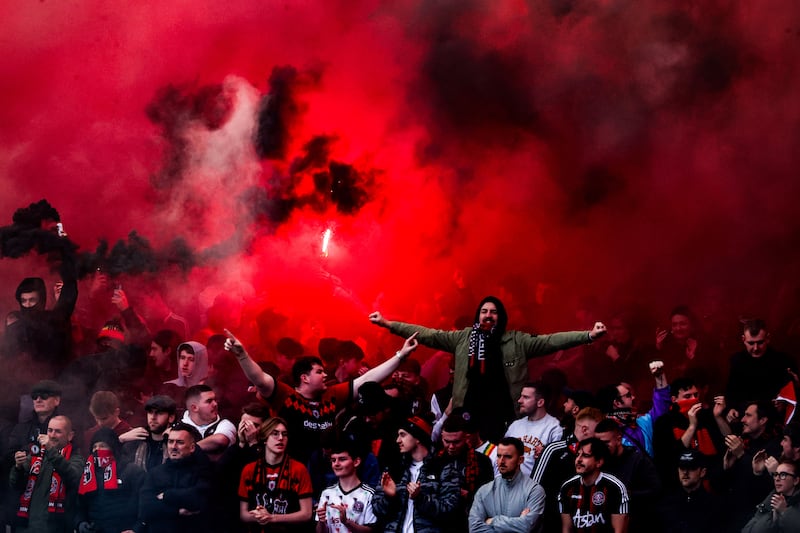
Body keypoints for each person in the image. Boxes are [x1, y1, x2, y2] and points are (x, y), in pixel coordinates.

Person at [369, 296, 606, 440]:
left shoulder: (517, 341)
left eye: (493, 312)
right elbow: (429, 334)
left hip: (502, 414)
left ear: (500, 316)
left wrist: (588, 335)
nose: (488, 315)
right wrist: (388, 324)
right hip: (467, 411)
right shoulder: (464, 338)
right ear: (478, 315)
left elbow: (551, 341)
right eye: (484, 311)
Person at [224, 329, 420, 464]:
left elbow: (368, 378)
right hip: (291, 471)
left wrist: (400, 356)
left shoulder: (332, 395)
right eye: (319, 372)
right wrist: (242, 355)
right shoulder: (286, 396)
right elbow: (259, 378)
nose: (326, 375)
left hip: (327, 470)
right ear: (304, 378)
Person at [372, 416, 460, 532]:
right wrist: (390, 497)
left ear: (418, 438)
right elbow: (377, 511)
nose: (398, 440)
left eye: (403, 435)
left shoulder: (443, 468)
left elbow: (450, 511)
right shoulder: (393, 469)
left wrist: (421, 498)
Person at [533, 407, 604, 533]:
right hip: (552, 524)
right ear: (585, 429)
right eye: (598, 430)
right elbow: (533, 489)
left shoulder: (598, 455)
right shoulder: (554, 450)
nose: (600, 436)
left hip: (586, 523)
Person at [133, 422, 214, 533]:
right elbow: (146, 509)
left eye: (180, 442)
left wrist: (167, 495)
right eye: (170, 442)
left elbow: (198, 500)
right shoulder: (155, 473)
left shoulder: (201, 472)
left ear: (192, 447)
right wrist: (177, 511)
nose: (173, 447)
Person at [9, 415, 84, 533]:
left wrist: (50, 450)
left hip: (56, 527)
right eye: (50, 430)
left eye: (58, 431)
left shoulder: (76, 458)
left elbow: (72, 476)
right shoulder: (36, 455)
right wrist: (18, 467)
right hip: (27, 526)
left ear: (70, 436)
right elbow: (15, 485)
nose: (52, 435)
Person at [238, 416, 314, 531]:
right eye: (275, 434)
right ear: (265, 439)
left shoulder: (298, 469)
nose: (280, 438)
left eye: (284, 434)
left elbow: (306, 514)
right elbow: (243, 515)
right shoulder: (249, 470)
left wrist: (272, 518)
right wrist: (261, 517)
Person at [593, 418, 660, 531]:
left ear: (618, 440)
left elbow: (656, 489)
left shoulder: (639, 461)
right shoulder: (598, 463)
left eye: (606, 443)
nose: (601, 448)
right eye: (598, 443)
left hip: (636, 523)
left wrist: (626, 494)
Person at [468, 436, 546, 533]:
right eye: (499, 456)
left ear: (520, 460)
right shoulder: (484, 491)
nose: (501, 461)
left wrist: (492, 521)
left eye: (508, 457)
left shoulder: (534, 491)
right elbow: (475, 529)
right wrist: (517, 523)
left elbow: (526, 527)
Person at [75, 427, 145, 533]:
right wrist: (80, 523)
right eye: (94, 447)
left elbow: (144, 505)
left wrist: (136, 529)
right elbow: (80, 505)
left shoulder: (132, 471)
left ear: (113, 447)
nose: (97, 450)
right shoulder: (87, 474)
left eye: (103, 446)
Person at [725, 319, 798, 418]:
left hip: (774, 418)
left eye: (760, 342)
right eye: (751, 343)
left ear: (768, 338)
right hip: (744, 418)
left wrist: (785, 401)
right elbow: (731, 391)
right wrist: (731, 408)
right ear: (743, 340)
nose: (756, 348)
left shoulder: (783, 361)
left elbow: (791, 396)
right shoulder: (736, 361)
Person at [558, 437, 629, 533]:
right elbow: (566, 529)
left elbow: (619, 530)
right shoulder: (567, 488)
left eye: (585, 456)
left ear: (599, 462)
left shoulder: (614, 487)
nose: (578, 460)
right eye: (578, 455)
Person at [439, 413, 494, 529]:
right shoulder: (434, 461)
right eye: (447, 441)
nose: (451, 447)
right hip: (439, 522)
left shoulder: (482, 461)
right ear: (441, 437)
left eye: (456, 442)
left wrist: (468, 495)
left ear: (465, 437)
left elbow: (489, 496)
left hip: (470, 522)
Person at [656, 449, 724, 533]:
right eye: (682, 467)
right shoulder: (666, 504)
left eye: (691, 468)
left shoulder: (714, 506)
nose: (685, 472)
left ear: (702, 472)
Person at [315, 441, 377, 533]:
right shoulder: (326, 493)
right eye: (333, 460)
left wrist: (346, 522)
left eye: (342, 459)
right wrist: (321, 521)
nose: (336, 464)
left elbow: (370, 531)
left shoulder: (369, 494)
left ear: (356, 462)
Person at [504, 381, 563, 476]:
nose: (519, 400)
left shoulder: (554, 428)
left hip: (535, 486)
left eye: (526, 397)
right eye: (521, 396)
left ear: (540, 402)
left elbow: (557, 465)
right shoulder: (515, 425)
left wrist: (544, 454)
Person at [119, 395, 176, 472]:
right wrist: (120, 440)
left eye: (159, 413)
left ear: (171, 418)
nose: (153, 417)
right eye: (150, 412)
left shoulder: (177, 442)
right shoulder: (136, 441)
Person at [179, 384, 237, 458]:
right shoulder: (178, 427)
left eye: (215, 400)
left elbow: (219, 440)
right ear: (194, 408)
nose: (215, 404)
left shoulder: (225, 424)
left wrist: (186, 450)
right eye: (209, 401)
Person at [743, 458, 800, 532]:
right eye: (776, 474)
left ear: (795, 480)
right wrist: (773, 516)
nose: (777, 479)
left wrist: (784, 512)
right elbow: (750, 526)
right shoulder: (773, 496)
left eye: (783, 475)